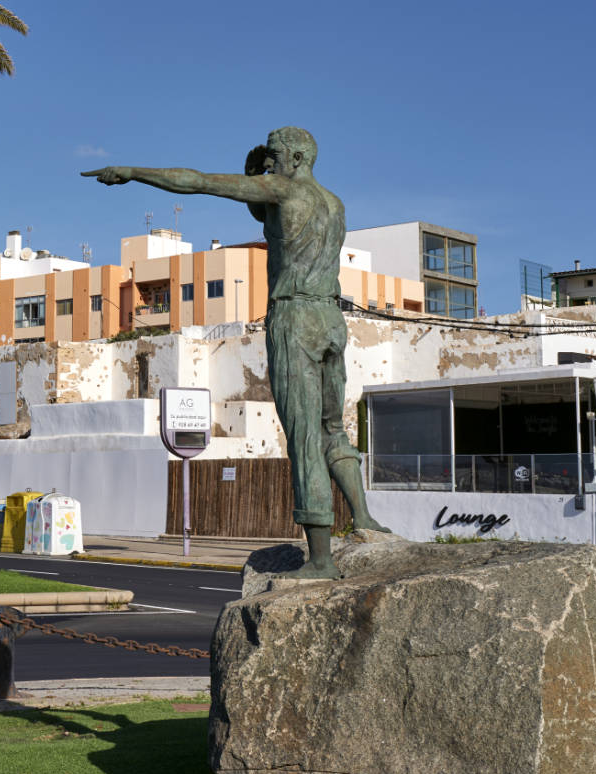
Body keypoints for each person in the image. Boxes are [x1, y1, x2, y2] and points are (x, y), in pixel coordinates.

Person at [85, 126, 388, 579]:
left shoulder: (285, 190)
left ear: (299, 157)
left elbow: (199, 181)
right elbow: (271, 220)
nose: (272, 163)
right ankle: (363, 518)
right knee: (332, 429)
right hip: (330, 319)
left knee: (303, 434)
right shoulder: (334, 204)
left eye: (276, 155)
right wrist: (255, 173)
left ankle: (321, 560)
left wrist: (132, 172)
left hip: (295, 316)